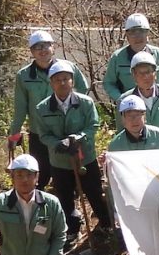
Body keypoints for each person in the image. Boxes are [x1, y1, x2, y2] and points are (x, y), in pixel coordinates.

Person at [5, 29, 88, 205]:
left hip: (66, 132)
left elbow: (82, 91)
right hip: (39, 133)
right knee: (40, 171)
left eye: (46, 46)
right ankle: (38, 206)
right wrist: (15, 133)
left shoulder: (68, 68)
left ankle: (70, 209)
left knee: (67, 174)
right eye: (37, 47)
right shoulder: (24, 75)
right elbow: (20, 107)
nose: (42, 50)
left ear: (53, 47)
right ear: (31, 52)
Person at [30, 61, 111, 238]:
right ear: (51, 83)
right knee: (65, 197)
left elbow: (93, 125)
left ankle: (106, 224)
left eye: (66, 79)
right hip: (59, 161)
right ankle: (72, 229)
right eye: (58, 79)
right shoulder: (42, 108)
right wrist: (58, 143)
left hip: (85, 158)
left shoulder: (86, 103)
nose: (62, 83)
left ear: (72, 81)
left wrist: (78, 138)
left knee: (95, 193)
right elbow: (43, 134)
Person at [102, 13, 159, 105]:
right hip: (130, 109)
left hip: (158, 105)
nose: (137, 37)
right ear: (126, 35)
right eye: (132, 32)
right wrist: (121, 99)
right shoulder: (118, 57)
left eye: (141, 31)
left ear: (148, 33)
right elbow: (109, 83)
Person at [100, 93, 159, 162]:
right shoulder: (116, 145)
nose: (134, 120)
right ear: (123, 119)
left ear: (145, 116)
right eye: (129, 116)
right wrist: (106, 163)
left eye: (138, 115)